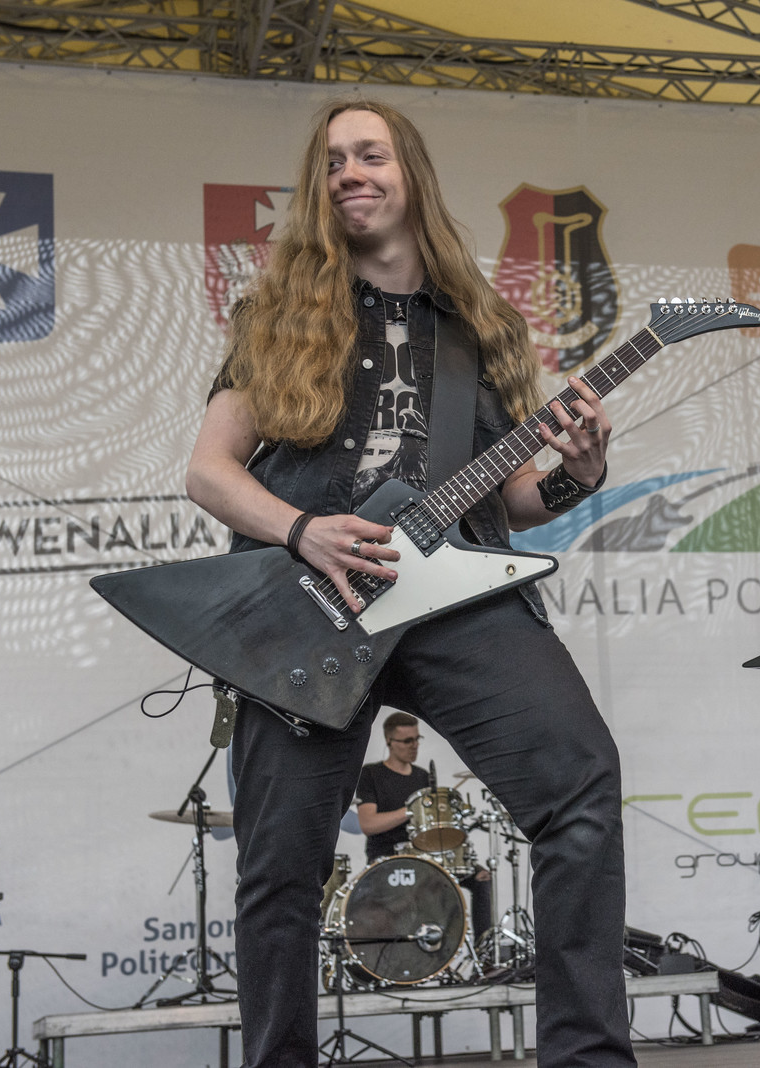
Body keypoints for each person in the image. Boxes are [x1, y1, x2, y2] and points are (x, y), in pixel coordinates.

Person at [186, 98, 632, 1068]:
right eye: (333, 160)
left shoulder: (483, 324)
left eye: (371, 154)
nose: (351, 172)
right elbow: (209, 472)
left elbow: (514, 499)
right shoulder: (280, 317)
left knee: (581, 787)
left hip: (455, 603)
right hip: (311, 604)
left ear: (410, 174)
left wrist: (580, 473)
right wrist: (302, 530)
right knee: (280, 870)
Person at [355, 710, 494, 938]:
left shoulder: (422, 777)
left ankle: (484, 951)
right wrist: (411, 809)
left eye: (417, 739)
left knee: (481, 878)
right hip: (388, 859)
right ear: (390, 741)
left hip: (424, 858)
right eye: (407, 741)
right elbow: (368, 823)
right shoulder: (371, 774)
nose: (414, 746)